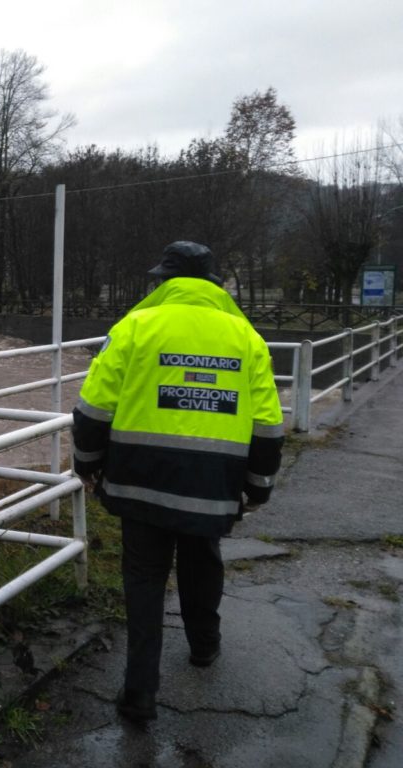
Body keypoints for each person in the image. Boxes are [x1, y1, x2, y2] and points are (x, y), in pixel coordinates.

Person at [71, 241, 284, 724]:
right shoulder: (244, 336)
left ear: (166, 282)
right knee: (202, 561)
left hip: (138, 483)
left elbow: (92, 409)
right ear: (212, 284)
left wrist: (87, 465)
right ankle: (205, 647)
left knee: (143, 582)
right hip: (212, 486)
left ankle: (139, 696)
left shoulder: (134, 328)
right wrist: (258, 486)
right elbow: (268, 424)